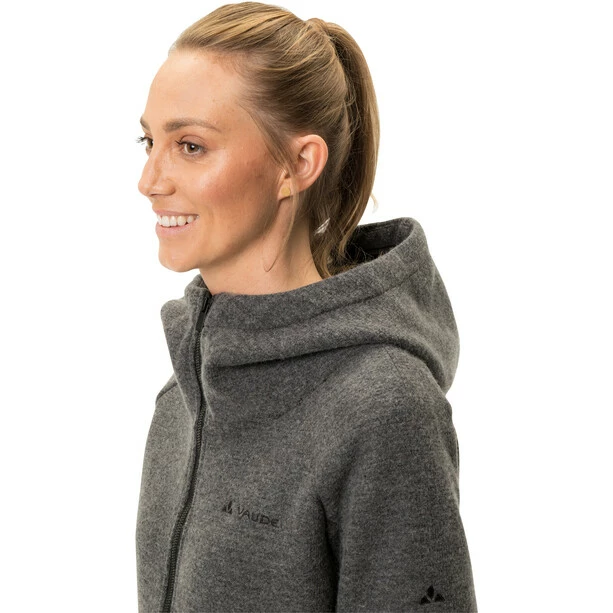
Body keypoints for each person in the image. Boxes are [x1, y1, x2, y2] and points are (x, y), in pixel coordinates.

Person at [134, 2, 477, 611]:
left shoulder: (384, 408)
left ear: (298, 164)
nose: (149, 181)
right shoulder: (182, 398)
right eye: (148, 141)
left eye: (190, 145)